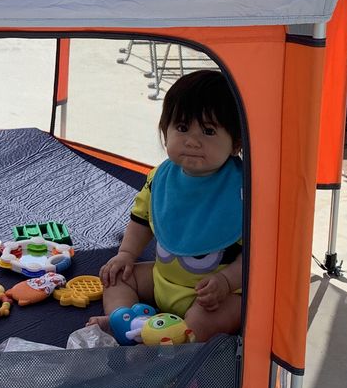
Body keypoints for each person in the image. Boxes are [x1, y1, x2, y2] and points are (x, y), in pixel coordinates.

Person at [90, 69, 245, 342]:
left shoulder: (244, 189)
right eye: (182, 128)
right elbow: (141, 220)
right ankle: (124, 318)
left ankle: (174, 338)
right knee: (116, 277)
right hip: (162, 280)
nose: (192, 140)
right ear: (165, 130)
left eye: (208, 131)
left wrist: (227, 282)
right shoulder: (160, 178)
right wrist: (126, 254)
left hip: (212, 295)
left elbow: (257, 254)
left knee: (218, 315)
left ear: (236, 143)